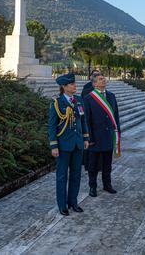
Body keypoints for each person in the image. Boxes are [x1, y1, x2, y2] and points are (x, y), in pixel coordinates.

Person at [48, 73, 89, 216]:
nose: (74, 86)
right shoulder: (57, 103)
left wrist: (85, 138)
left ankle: (73, 202)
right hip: (63, 146)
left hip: (77, 144)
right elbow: (52, 126)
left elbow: (83, 121)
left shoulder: (79, 100)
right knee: (61, 176)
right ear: (64, 87)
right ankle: (62, 205)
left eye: (74, 84)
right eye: (71, 84)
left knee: (76, 175)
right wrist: (54, 146)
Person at [84, 73, 121, 197]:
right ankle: (92, 187)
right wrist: (89, 138)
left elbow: (115, 117)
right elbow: (87, 120)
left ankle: (107, 185)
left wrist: (117, 133)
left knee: (107, 164)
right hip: (95, 138)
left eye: (104, 78)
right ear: (94, 84)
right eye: (100, 79)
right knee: (93, 165)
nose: (104, 80)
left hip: (108, 136)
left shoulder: (111, 96)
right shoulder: (88, 98)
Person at [81, 70, 101, 171]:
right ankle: (88, 165)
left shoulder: (101, 87)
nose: (97, 76)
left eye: (99, 75)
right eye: (95, 75)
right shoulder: (87, 88)